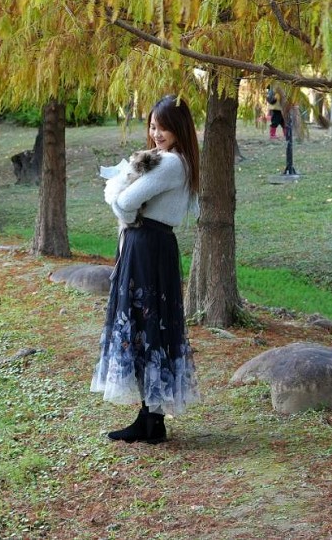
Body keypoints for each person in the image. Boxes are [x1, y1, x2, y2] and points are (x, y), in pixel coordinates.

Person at [91, 94, 201, 443]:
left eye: (164, 127)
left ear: (179, 128)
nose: (156, 133)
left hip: (146, 246)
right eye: (153, 126)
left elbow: (124, 201)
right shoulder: (179, 161)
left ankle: (152, 419)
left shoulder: (170, 163)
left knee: (144, 323)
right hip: (155, 245)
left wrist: (122, 210)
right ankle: (151, 418)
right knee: (151, 325)